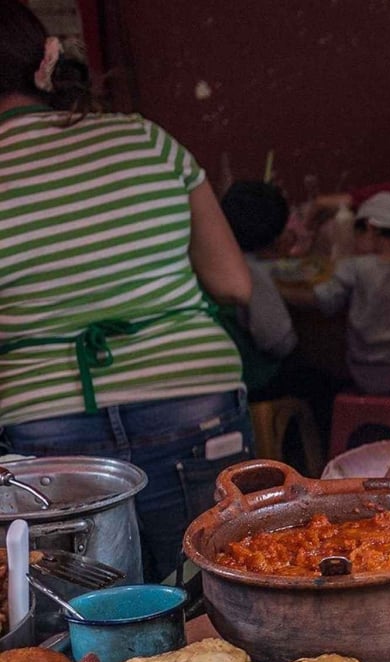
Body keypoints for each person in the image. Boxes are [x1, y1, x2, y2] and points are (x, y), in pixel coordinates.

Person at [0, 0, 253, 582]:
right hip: (194, 404)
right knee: (219, 594)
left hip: (48, 433)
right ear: (45, 63)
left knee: (84, 616)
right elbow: (233, 282)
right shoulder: (146, 140)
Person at [283, 192, 390, 397]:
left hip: (368, 378)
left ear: (370, 228)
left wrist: (272, 287)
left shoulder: (356, 267)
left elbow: (319, 299)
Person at [219, 180, 298, 396]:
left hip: (219, 378)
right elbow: (279, 342)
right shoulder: (251, 272)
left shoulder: (209, 260)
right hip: (253, 383)